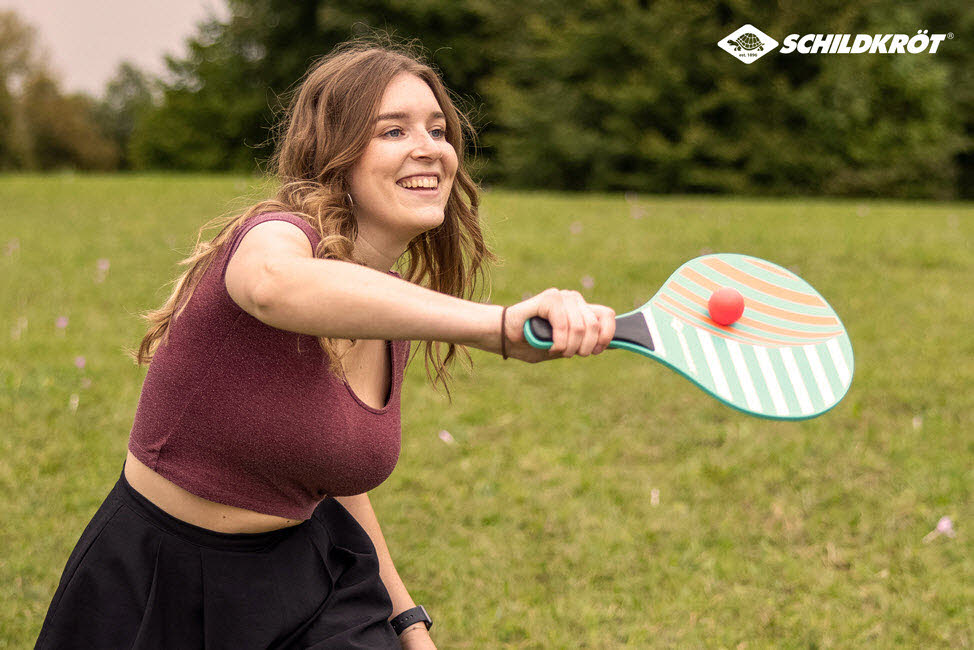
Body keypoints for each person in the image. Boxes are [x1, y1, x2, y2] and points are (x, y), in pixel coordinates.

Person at [35, 37, 616, 649]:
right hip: (162, 584)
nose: (429, 148)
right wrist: (495, 328)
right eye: (393, 131)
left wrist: (408, 623)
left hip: (310, 585)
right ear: (335, 155)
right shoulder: (274, 237)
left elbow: (329, 464)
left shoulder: (386, 302)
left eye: (438, 129)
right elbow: (272, 285)